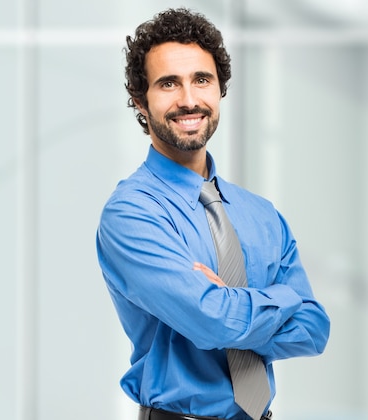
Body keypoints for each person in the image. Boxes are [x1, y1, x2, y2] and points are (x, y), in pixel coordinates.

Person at [96, 8, 330, 420]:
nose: (189, 100)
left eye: (201, 80)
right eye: (168, 83)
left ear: (220, 89)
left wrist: (230, 302)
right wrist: (282, 298)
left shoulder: (260, 214)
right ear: (140, 98)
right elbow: (212, 322)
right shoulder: (131, 214)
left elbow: (314, 329)